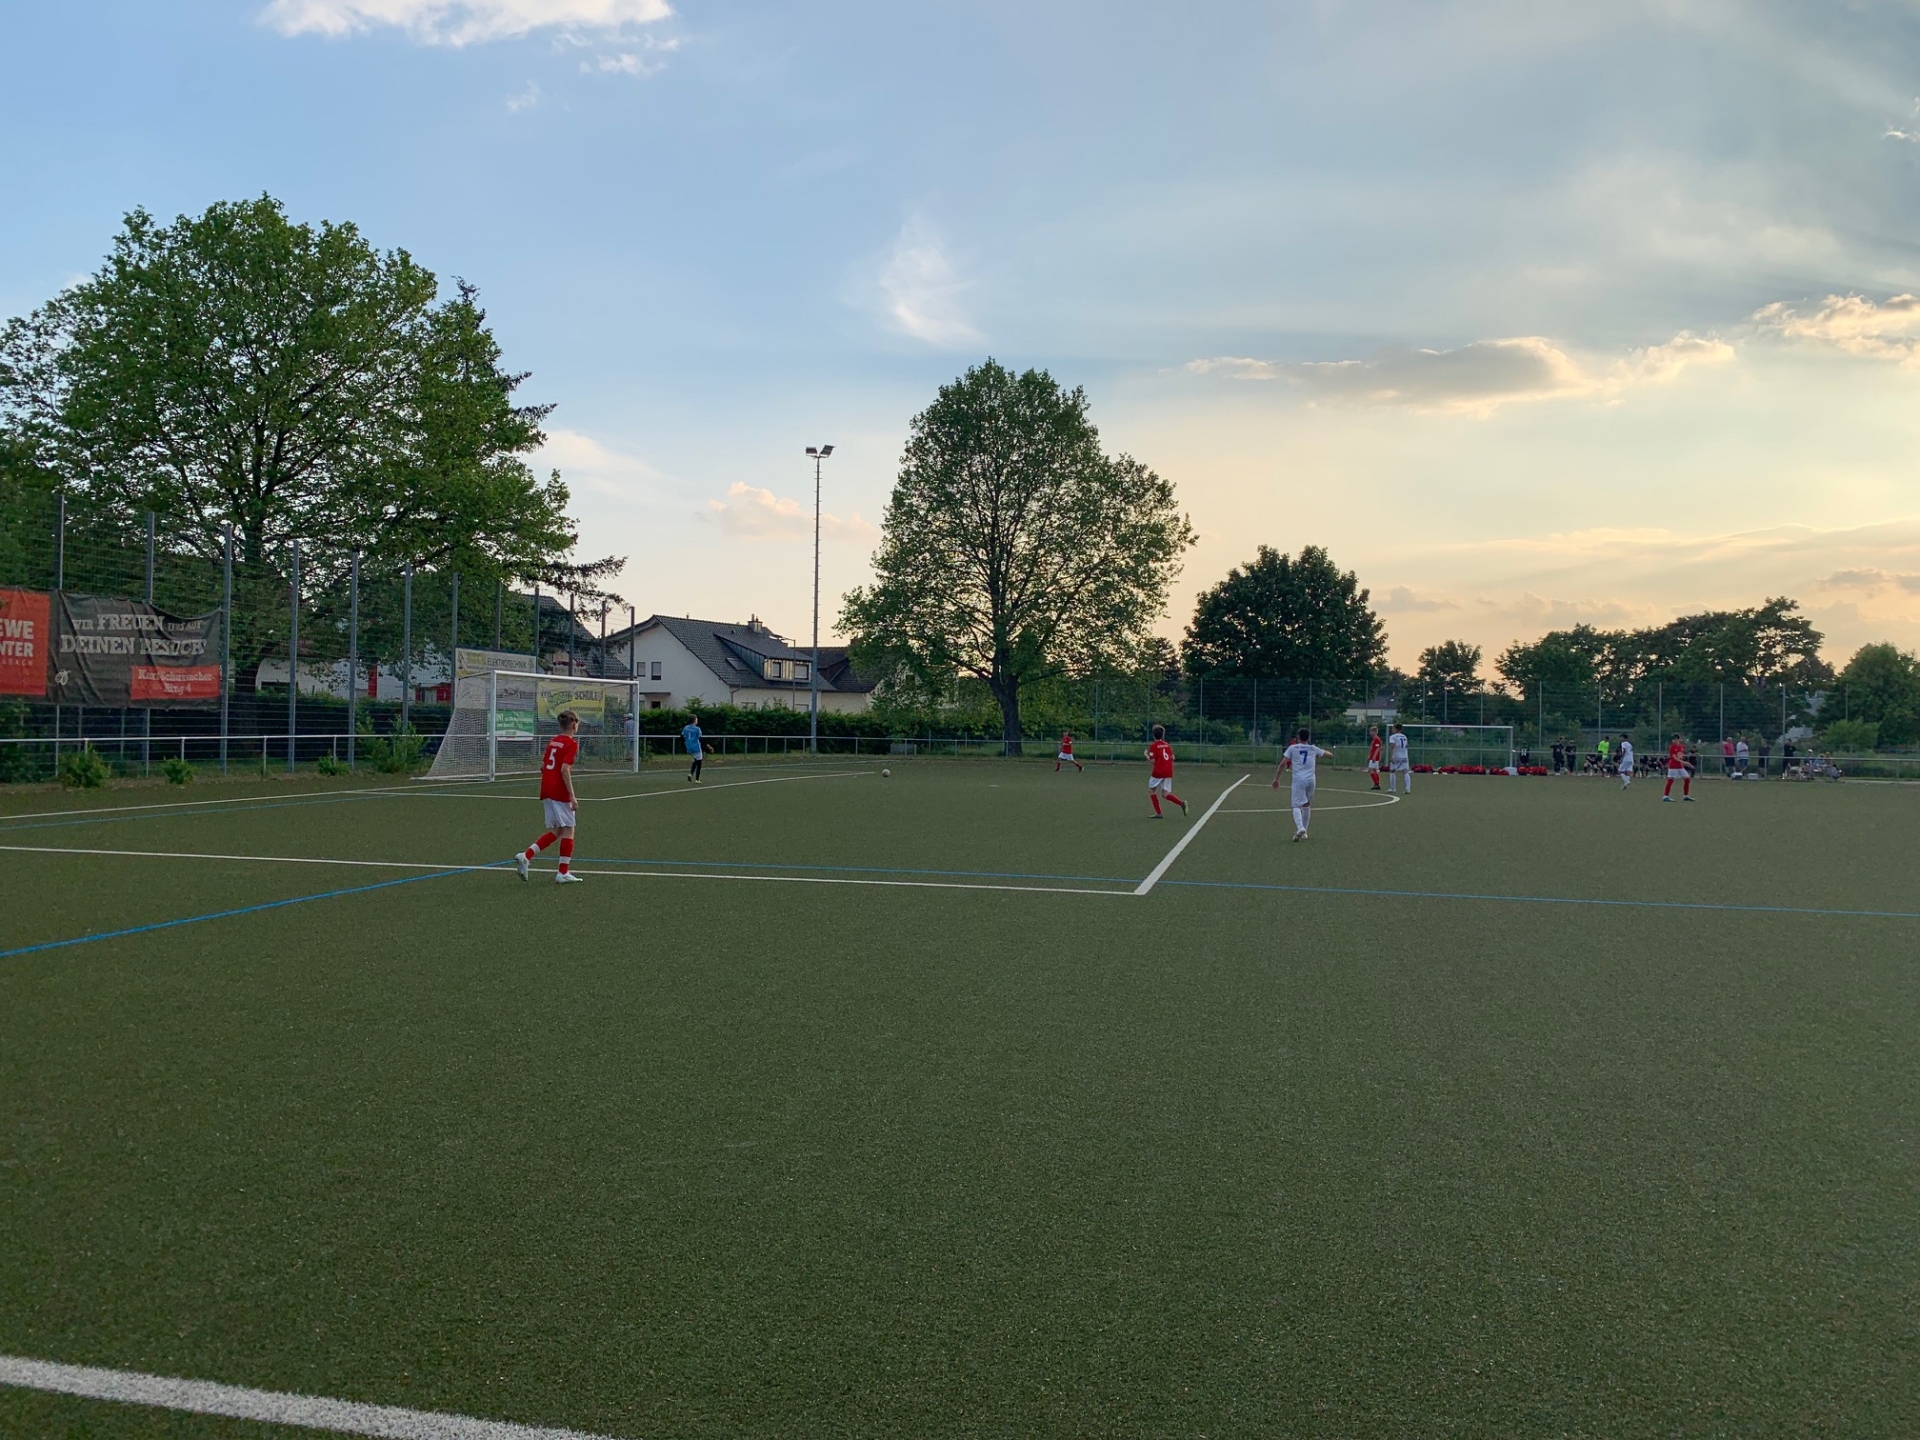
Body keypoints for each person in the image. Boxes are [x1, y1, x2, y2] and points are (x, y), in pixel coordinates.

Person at [516, 710, 585, 883]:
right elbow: (564, 769)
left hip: (546, 788)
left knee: (558, 830)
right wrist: (572, 796)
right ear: (574, 724)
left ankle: (526, 856)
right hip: (558, 791)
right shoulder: (571, 744)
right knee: (569, 829)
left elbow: (543, 766)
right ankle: (562, 873)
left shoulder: (553, 741)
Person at [1273, 727, 1335, 841]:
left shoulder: (1293, 748)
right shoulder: (1313, 748)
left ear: (1298, 737)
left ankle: (1300, 828)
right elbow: (1330, 755)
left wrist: (1277, 778)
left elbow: (1283, 764)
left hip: (1299, 780)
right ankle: (1304, 832)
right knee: (1306, 804)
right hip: (1311, 780)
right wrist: (1319, 753)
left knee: (1296, 805)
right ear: (1308, 737)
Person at [1145, 724, 1187, 818]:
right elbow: (1173, 757)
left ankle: (1159, 813)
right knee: (1165, 794)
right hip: (1168, 771)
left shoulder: (1154, 745)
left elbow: (1152, 761)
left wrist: (1146, 755)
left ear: (1153, 735)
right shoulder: (1167, 745)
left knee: (1151, 791)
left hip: (1158, 771)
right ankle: (1181, 803)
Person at [1663, 733, 1694, 802]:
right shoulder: (1672, 747)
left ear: (1678, 739)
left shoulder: (1682, 747)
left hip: (1680, 766)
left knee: (1687, 779)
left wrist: (1683, 763)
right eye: (1673, 740)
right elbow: (1674, 757)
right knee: (1670, 780)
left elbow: (1680, 756)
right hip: (1673, 766)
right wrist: (1684, 762)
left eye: (1675, 739)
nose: (1673, 741)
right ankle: (1665, 796)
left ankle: (1685, 796)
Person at [1386, 722, 1412, 793]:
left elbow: (1392, 746)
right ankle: (1407, 789)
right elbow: (1406, 746)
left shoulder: (1393, 737)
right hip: (1404, 755)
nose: (1392, 729)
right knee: (1405, 772)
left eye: (1393, 728)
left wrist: (1391, 756)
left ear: (1396, 729)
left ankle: (1393, 788)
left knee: (1392, 771)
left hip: (1396, 756)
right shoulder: (1404, 736)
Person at [683, 713, 705, 782]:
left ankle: (691, 774)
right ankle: (697, 779)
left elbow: (682, 736)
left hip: (689, 747)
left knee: (696, 760)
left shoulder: (686, 728)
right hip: (696, 747)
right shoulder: (697, 729)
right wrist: (707, 745)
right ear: (694, 720)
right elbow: (700, 738)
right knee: (699, 762)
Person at [1365, 725, 1383, 790]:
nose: (1370, 733)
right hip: (1373, 757)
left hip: (1374, 758)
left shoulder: (1377, 739)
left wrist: (1374, 757)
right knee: (1375, 770)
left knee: (1370, 770)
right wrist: (1369, 756)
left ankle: (1376, 784)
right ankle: (1377, 784)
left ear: (1374, 732)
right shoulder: (1374, 739)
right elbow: (1373, 749)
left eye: (1371, 731)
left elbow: (1378, 748)